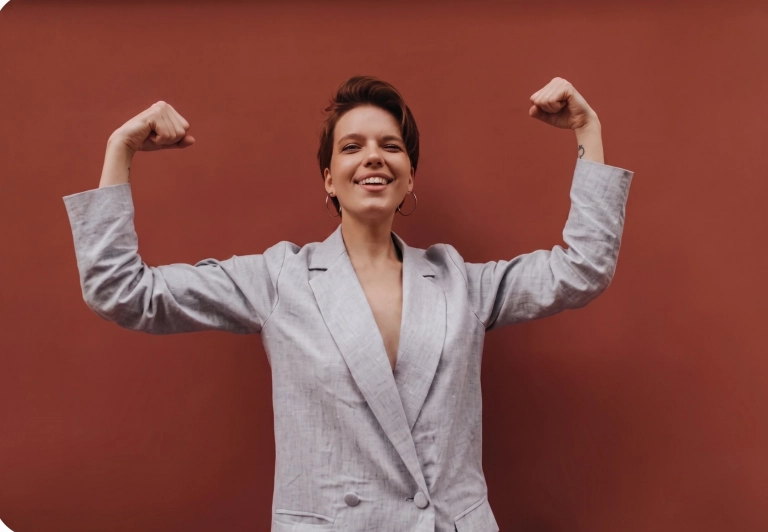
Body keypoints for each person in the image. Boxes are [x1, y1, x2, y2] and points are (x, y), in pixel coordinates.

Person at [63, 75, 634, 532]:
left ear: (410, 178)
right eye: (352, 147)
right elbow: (123, 292)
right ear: (329, 179)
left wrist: (588, 129)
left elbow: (580, 269)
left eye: (391, 146)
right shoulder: (279, 278)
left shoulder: (459, 279)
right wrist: (122, 150)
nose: (374, 158)